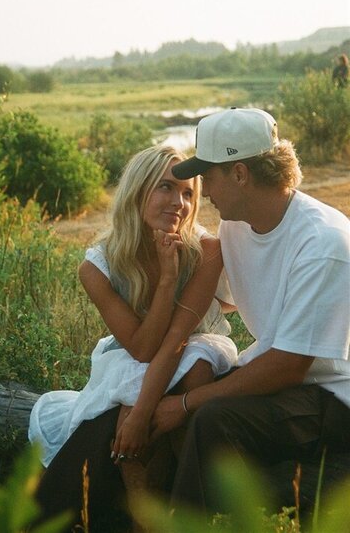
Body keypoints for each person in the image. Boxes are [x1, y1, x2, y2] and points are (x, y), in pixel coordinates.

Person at [146, 106, 350, 516]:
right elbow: (224, 301)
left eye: (208, 175)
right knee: (181, 390)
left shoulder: (322, 243)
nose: (203, 188)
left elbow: (289, 365)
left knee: (211, 418)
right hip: (291, 387)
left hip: (331, 397)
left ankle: (186, 523)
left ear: (240, 174)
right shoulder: (236, 226)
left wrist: (188, 404)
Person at [30, 145, 237, 531]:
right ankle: (145, 517)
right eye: (165, 188)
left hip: (197, 346)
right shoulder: (98, 267)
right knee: (132, 396)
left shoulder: (207, 249)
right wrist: (167, 278)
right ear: (137, 192)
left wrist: (142, 413)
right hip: (134, 356)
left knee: (193, 365)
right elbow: (141, 349)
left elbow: (179, 339)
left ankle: (192, 503)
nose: (179, 202)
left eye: (189, 192)